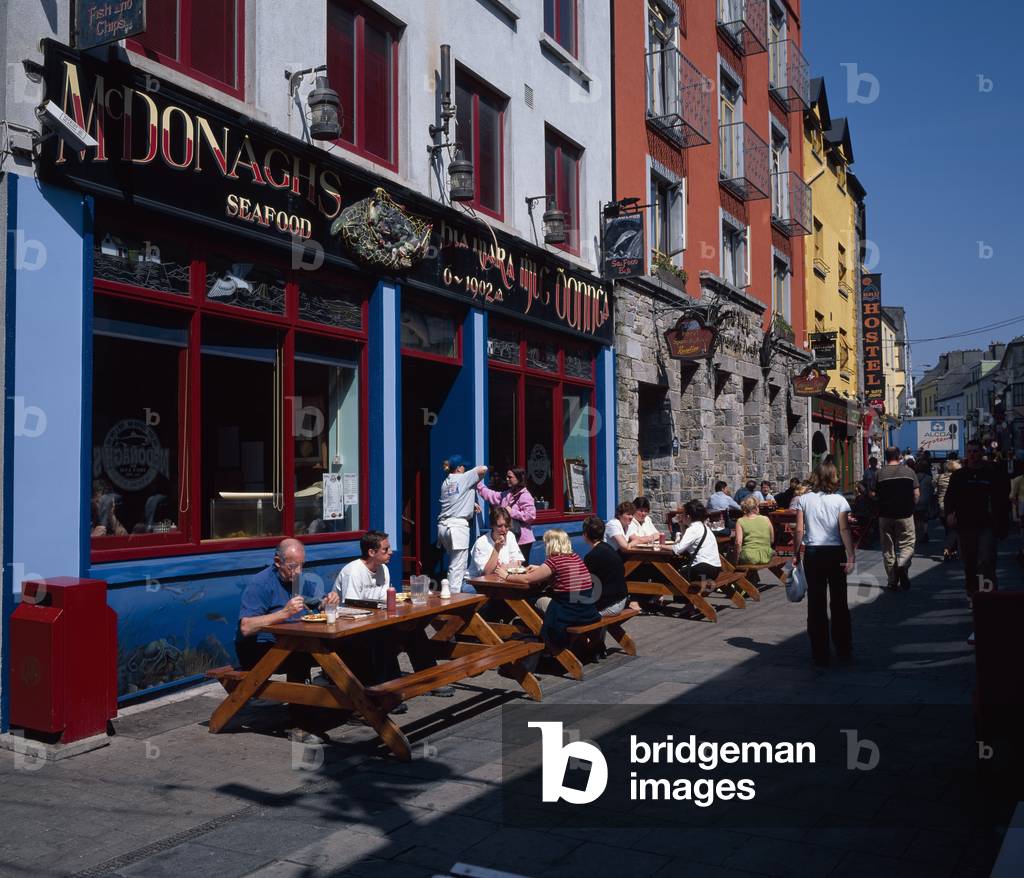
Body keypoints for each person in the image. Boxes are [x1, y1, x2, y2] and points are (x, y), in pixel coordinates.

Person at [236, 538, 340, 743]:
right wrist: (283, 614)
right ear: (277, 561)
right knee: (299, 659)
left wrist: (327, 601)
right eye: (293, 566)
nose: (298, 571)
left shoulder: (297, 580)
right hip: (257, 648)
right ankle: (301, 726)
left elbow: (314, 603)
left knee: (344, 648)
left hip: (293, 641)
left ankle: (355, 706)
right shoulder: (261, 583)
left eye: (302, 565)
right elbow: (246, 627)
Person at [333, 531, 452, 699]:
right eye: (386, 549)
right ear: (371, 552)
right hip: (350, 630)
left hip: (376, 623)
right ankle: (390, 692)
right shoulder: (353, 571)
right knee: (382, 637)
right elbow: (352, 608)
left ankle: (430, 679)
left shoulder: (384, 569)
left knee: (414, 630)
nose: (391, 552)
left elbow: (385, 601)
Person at [793, 461, 856, 667]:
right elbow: (845, 529)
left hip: (813, 553)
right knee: (839, 602)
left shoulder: (804, 500)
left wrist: (796, 552)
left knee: (816, 603)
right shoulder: (839, 501)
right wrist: (851, 555)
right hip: (835, 552)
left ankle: (819, 651)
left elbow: (799, 530)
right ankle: (843, 646)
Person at [499, 529, 600, 648]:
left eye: (546, 543)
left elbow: (528, 579)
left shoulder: (555, 561)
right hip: (586, 610)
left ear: (552, 544)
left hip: (570, 612)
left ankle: (542, 637)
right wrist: (539, 568)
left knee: (532, 601)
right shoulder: (575, 557)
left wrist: (506, 576)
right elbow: (558, 572)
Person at [945, 438, 1011, 608]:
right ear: (966, 454)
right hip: (965, 525)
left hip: (986, 525)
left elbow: (1002, 499)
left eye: (976, 451)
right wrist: (949, 514)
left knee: (986, 561)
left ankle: (987, 596)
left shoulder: (992, 473)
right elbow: (949, 498)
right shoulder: (959, 476)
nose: (973, 455)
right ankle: (973, 594)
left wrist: (1003, 524)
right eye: (970, 452)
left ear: (981, 453)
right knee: (969, 562)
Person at [437, 455, 488, 594]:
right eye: (464, 466)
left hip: (443, 527)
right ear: (459, 468)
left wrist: (471, 503)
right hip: (457, 527)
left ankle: (448, 589)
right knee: (458, 565)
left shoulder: (446, 482)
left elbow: (456, 499)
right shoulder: (463, 477)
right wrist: (469, 474)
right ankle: (453, 597)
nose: (466, 468)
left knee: (453, 563)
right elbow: (484, 469)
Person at [875, 446, 919, 591]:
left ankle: (892, 580)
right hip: (905, 514)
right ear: (899, 456)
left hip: (885, 515)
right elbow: (917, 494)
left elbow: (873, 494)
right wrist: (911, 506)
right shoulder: (909, 472)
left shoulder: (879, 474)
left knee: (888, 548)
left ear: (886, 457)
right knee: (907, 544)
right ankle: (902, 565)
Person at [477, 466, 538, 562]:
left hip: (522, 540)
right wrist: (477, 483)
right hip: (509, 537)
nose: (507, 479)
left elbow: (531, 516)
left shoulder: (525, 496)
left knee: (520, 568)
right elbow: (491, 495)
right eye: (507, 477)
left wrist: (512, 512)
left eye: (510, 477)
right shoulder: (507, 494)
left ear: (518, 478)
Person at [581, 515, 629, 617]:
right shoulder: (608, 548)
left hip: (611, 605)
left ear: (585, 534)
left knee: (574, 612)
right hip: (621, 599)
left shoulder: (592, 556)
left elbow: (585, 585)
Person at [671, 499, 723, 582]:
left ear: (688, 516)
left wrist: (661, 546)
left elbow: (678, 549)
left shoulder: (693, 529)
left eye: (683, 514)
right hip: (715, 569)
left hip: (703, 570)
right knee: (680, 577)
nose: (681, 516)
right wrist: (682, 526)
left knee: (675, 578)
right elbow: (685, 542)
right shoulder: (704, 527)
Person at [469, 506, 525, 577]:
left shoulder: (510, 535)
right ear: (492, 525)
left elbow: (518, 563)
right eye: (500, 526)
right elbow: (486, 574)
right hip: (474, 583)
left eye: (507, 526)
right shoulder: (481, 542)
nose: (504, 530)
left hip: (500, 580)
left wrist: (502, 568)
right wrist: (496, 549)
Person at [735, 496, 775, 566]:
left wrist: (737, 557)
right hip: (766, 555)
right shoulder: (766, 519)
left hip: (749, 556)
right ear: (756, 507)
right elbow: (772, 540)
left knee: (730, 558)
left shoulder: (740, 521)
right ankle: (753, 577)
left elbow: (738, 542)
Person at [935, 458, 960, 561]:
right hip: (953, 506)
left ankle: (952, 549)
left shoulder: (939, 477)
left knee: (948, 529)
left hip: (942, 506)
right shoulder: (957, 478)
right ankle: (948, 549)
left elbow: (935, 487)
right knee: (954, 529)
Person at [914, 458, 935, 546]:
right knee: (925, 519)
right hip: (925, 501)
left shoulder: (913, 477)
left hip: (915, 500)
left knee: (917, 519)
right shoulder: (929, 478)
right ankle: (925, 533)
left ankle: (918, 535)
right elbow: (932, 489)